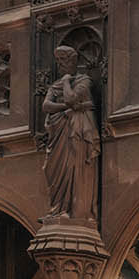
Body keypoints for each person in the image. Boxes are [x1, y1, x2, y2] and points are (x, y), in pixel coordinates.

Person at [41, 44, 101, 225]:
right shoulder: (55, 85)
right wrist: (66, 108)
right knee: (52, 169)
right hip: (58, 135)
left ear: (74, 62)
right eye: (58, 62)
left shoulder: (85, 80)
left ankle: (75, 211)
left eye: (64, 61)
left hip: (78, 133)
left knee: (75, 167)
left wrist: (66, 82)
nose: (61, 65)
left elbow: (71, 98)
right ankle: (58, 209)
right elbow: (46, 106)